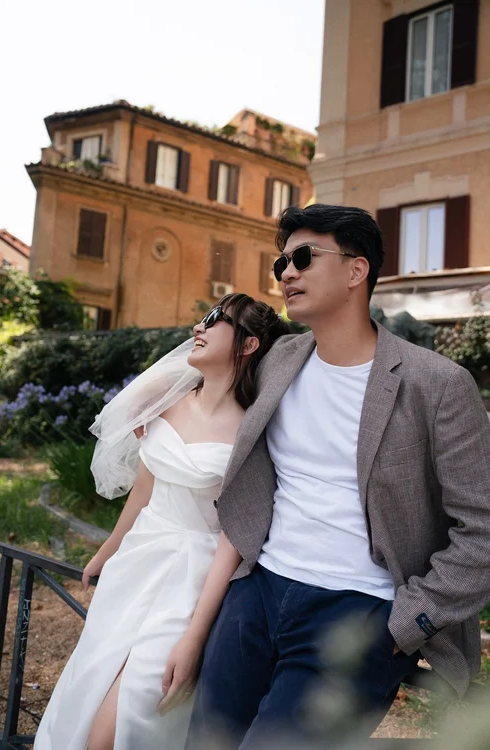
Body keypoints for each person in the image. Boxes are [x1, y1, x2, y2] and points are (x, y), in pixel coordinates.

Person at [188, 204, 490, 749]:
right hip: (256, 595)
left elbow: (483, 529)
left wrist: (406, 625)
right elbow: (212, 392)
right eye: (282, 262)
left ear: (356, 270)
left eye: (303, 257)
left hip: (359, 611)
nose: (287, 272)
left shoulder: (438, 384)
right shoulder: (280, 360)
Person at [33, 293, 289, 750]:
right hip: (136, 563)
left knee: (123, 723)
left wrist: (194, 637)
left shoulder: (252, 430)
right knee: (88, 689)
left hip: (193, 577)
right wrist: (108, 549)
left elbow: (233, 538)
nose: (199, 327)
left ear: (248, 345)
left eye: (215, 319)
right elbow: (145, 490)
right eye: (203, 316)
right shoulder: (167, 404)